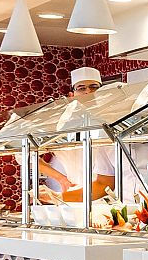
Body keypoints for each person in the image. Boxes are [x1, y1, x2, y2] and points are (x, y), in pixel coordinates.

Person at [37, 67, 117, 203]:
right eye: (81, 88)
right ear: (71, 94)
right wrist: (61, 178)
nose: (88, 91)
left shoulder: (111, 120)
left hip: (106, 196)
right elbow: (24, 154)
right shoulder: (61, 124)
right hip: (72, 194)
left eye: (94, 87)